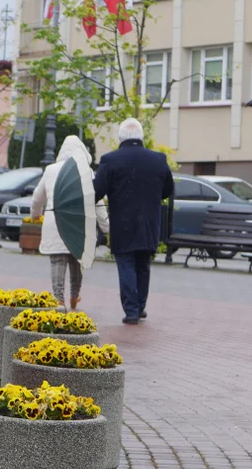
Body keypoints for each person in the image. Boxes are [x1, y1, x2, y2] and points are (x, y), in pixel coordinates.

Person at [93, 118, 174, 324]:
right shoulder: (158, 159)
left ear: (121, 138)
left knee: (126, 263)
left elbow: (97, 191)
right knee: (143, 264)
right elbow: (168, 190)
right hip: (149, 222)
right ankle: (140, 305)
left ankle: (131, 310)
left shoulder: (110, 160)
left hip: (123, 222)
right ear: (141, 136)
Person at [31, 135, 110, 311]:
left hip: (55, 219)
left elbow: (37, 197)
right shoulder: (85, 172)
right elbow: (96, 201)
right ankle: (75, 296)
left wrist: (35, 215)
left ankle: (59, 300)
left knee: (57, 261)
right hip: (78, 222)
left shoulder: (50, 170)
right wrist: (105, 225)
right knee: (77, 260)